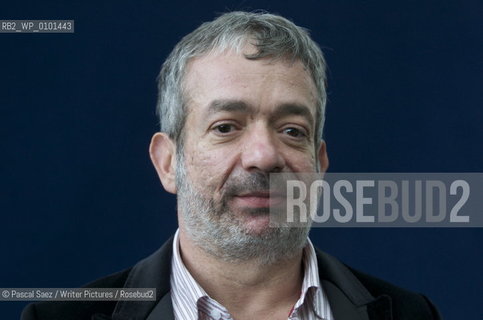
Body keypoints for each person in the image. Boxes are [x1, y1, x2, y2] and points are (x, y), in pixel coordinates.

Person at [21, 11, 441, 320]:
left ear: (320, 164)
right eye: (226, 126)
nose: (264, 155)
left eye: (293, 130)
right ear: (168, 163)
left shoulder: (412, 314)